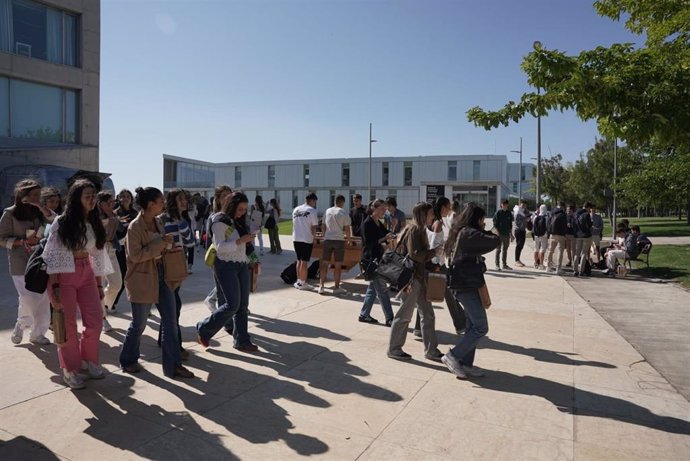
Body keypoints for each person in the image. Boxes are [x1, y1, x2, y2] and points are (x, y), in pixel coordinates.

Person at [43, 179, 113, 389]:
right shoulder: (62, 222)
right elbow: (53, 254)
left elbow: (98, 254)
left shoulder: (94, 220)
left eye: (93, 195)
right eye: (87, 196)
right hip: (63, 274)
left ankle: (89, 361)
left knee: (95, 321)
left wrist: (99, 284)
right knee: (67, 324)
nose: (92, 200)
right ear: (77, 198)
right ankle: (69, 368)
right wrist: (54, 287)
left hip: (87, 272)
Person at [119, 187, 194, 379]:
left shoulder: (158, 222)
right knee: (139, 324)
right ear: (150, 204)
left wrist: (169, 246)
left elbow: (161, 246)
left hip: (163, 276)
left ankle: (173, 365)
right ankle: (128, 359)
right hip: (142, 279)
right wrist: (160, 243)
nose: (163, 204)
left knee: (170, 322)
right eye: (160, 201)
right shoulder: (135, 227)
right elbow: (135, 256)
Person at [440, 202, 500, 379]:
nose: (483, 222)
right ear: (477, 219)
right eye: (482, 219)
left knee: (471, 326)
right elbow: (495, 241)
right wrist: (491, 230)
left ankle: (465, 364)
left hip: (465, 284)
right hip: (465, 286)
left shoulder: (461, 231)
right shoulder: (469, 233)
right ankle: (453, 356)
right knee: (481, 327)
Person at [197, 192, 259, 352]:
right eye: (240, 209)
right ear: (231, 205)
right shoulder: (219, 220)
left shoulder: (239, 221)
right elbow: (220, 247)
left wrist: (253, 258)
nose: (243, 212)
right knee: (232, 304)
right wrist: (240, 241)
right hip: (225, 265)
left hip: (242, 264)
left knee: (243, 306)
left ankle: (242, 340)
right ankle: (204, 328)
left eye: (245, 209)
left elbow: (246, 245)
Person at [0, 179, 55, 345]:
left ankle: (38, 334)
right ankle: (22, 323)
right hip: (19, 259)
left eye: (38, 195)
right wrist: (21, 241)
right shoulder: (9, 213)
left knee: (42, 297)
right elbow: (1, 238)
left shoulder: (40, 211)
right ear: (22, 195)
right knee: (27, 297)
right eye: (32, 195)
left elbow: (53, 221)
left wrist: (40, 207)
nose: (36, 198)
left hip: (39, 258)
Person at [387, 202, 443, 363]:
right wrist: (434, 252)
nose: (433, 216)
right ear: (423, 215)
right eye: (431, 213)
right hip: (411, 280)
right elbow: (416, 255)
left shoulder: (419, 229)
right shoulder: (415, 230)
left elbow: (419, 257)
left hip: (419, 277)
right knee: (404, 315)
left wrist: (432, 265)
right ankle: (394, 348)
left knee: (428, 314)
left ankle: (431, 350)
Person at [413, 196, 467, 336]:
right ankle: (461, 325)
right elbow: (434, 247)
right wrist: (436, 265)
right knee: (449, 295)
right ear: (442, 207)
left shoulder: (431, 221)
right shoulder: (437, 223)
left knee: (427, 296)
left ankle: (419, 328)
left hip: (431, 264)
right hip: (436, 265)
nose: (449, 209)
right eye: (448, 206)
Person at [159, 189, 196, 360]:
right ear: (172, 201)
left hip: (178, 264)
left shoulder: (182, 219)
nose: (184, 202)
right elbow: (164, 241)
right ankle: (175, 346)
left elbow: (190, 242)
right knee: (174, 307)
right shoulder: (164, 219)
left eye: (185, 199)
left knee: (172, 305)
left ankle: (164, 339)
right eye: (180, 199)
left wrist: (181, 221)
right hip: (167, 265)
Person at [358, 199, 396, 325]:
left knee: (373, 289)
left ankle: (364, 314)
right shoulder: (367, 223)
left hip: (378, 259)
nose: (384, 212)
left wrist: (392, 233)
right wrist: (385, 239)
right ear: (374, 208)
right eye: (382, 209)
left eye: (385, 210)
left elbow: (386, 233)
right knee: (382, 290)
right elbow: (370, 243)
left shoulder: (378, 223)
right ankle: (390, 318)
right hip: (371, 260)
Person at [202, 185, 233, 313]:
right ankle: (221, 311)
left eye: (230, 195)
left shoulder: (232, 214)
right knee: (222, 287)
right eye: (224, 196)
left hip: (233, 255)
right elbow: (211, 241)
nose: (227, 198)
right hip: (219, 257)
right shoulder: (214, 217)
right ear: (218, 199)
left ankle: (234, 307)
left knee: (230, 285)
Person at [97, 191, 124, 332]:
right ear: (100, 204)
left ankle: (102, 305)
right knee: (99, 286)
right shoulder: (94, 217)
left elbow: (119, 232)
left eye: (113, 202)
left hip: (112, 251)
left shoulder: (114, 216)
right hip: (99, 252)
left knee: (117, 284)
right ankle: (102, 318)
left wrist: (112, 217)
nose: (112, 204)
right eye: (109, 202)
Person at [319, 195, 352, 295]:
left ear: (334, 201)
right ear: (343, 202)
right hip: (339, 240)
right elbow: (347, 228)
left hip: (328, 239)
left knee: (324, 263)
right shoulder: (343, 212)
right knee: (338, 265)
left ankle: (321, 286)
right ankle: (337, 287)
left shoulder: (328, 211)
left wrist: (324, 236)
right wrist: (349, 239)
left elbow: (323, 225)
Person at [111, 189, 138, 311]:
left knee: (136, 277)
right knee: (121, 278)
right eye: (123, 196)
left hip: (133, 248)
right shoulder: (115, 213)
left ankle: (140, 305)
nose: (125, 198)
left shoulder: (136, 213)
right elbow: (116, 233)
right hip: (120, 249)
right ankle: (111, 302)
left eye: (128, 196)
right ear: (119, 198)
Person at [292, 192, 318, 291]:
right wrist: (314, 238)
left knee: (299, 260)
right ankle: (303, 282)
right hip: (306, 238)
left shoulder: (296, 209)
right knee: (305, 261)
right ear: (312, 200)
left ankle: (299, 281)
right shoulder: (312, 210)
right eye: (315, 202)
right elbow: (314, 227)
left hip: (296, 238)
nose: (315, 204)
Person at [546, 202, 568, 274]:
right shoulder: (563, 214)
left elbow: (548, 223)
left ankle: (548, 267)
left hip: (552, 234)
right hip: (561, 234)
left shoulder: (552, 213)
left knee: (550, 251)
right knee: (560, 251)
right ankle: (558, 268)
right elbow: (564, 225)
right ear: (563, 207)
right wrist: (565, 233)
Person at [573, 202, 594, 277]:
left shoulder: (576, 214)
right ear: (588, 207)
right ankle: (581, 270)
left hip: (578, 235)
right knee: (584, 253)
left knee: (577, 252)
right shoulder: (586, 214)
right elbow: (589, 225)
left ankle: (575, 270)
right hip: (586, 235)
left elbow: (573, 224)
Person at [492, 199, 513, 270]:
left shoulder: (509, 213)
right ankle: (497, 265)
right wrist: (497, 233)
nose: (504, 206)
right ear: (501, 205)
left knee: (505, 250)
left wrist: (511, 234)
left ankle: (504, 264)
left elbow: (510, 225)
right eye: (503, 204)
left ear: (507, 205)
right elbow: (495, 224)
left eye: (506, 205)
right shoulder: (498, 213)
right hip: (499, 234)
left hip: (506, 234)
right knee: (498, 249)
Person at [531, 204, 550, 269]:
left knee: (536, 249)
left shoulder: (536, 217)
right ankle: (541, 264)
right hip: (544, 235)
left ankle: (535, 263)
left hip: (536, 235)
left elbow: (533, 225)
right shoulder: (546, 217)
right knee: (542, 249)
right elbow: (548, 227)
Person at [512, 200, 529, 267]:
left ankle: (518, 259)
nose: (524, 207)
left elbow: (527, 214)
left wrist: (525, 211)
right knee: (519, 245)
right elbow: (518, 221)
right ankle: (516, 260)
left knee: (521, 245)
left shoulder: (523, 211)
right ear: (520, 204)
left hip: (523, 230)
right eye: (523, 205)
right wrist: (525, 219)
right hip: (518, 230)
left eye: (525, 206)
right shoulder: (517, 211)